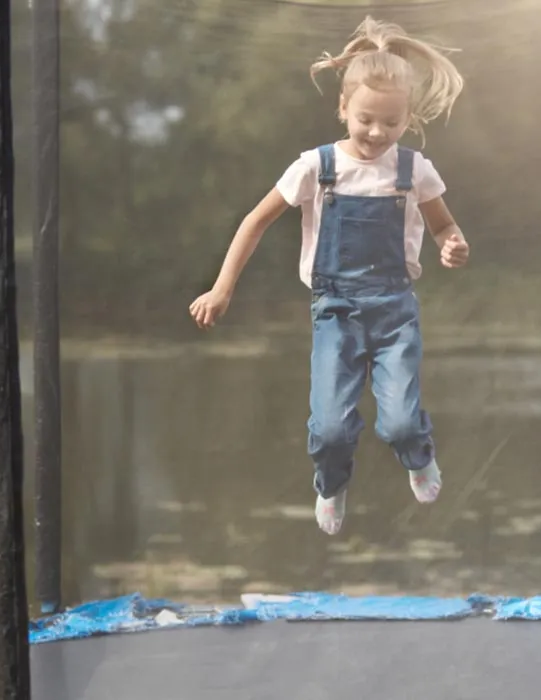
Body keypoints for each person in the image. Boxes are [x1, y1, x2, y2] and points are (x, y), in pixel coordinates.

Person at [189, 17, 470, 535]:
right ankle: (331, 481)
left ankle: (419, 455)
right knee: (332, 428)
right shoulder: (315, 168)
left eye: (391, 123)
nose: (377, 133)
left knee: (401, 422)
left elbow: (443, 225)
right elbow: (255, 221)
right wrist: (222, 287)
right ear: (343, 108)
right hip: (335, 311)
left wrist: (452, 243)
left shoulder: (415, 171)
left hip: (394, 311)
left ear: (407, 118)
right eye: (366, 119)